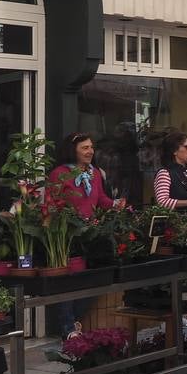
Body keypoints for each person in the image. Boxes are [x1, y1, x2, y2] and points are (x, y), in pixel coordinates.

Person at [46, 133, 125, 337]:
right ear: (73, 150)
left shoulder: (95, 173)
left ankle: (75, 321)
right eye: (85, 148)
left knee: (94, 278)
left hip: (91, 234)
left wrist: (116, 204)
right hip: (68, 235)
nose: (90, 151)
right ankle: (68, 327)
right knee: (70, 281)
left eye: (91, 147)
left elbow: (100, 200)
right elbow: (51, 204)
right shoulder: (60, 173)